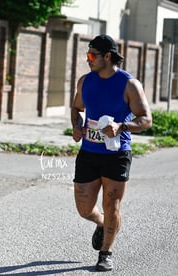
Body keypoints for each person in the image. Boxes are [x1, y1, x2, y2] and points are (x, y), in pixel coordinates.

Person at [71, 34, 152, 272]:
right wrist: (76, 126)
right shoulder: (85, 81)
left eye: (92, 55)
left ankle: (106, 253)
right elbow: (77, 108)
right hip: (88, 151)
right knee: (84, 208)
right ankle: (101, 224)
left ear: (108, 56)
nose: (88, 60)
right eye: (87, 55)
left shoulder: (129, 84)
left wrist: (122, 126)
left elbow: (146, 120)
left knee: (112, 204)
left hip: (117, 153)